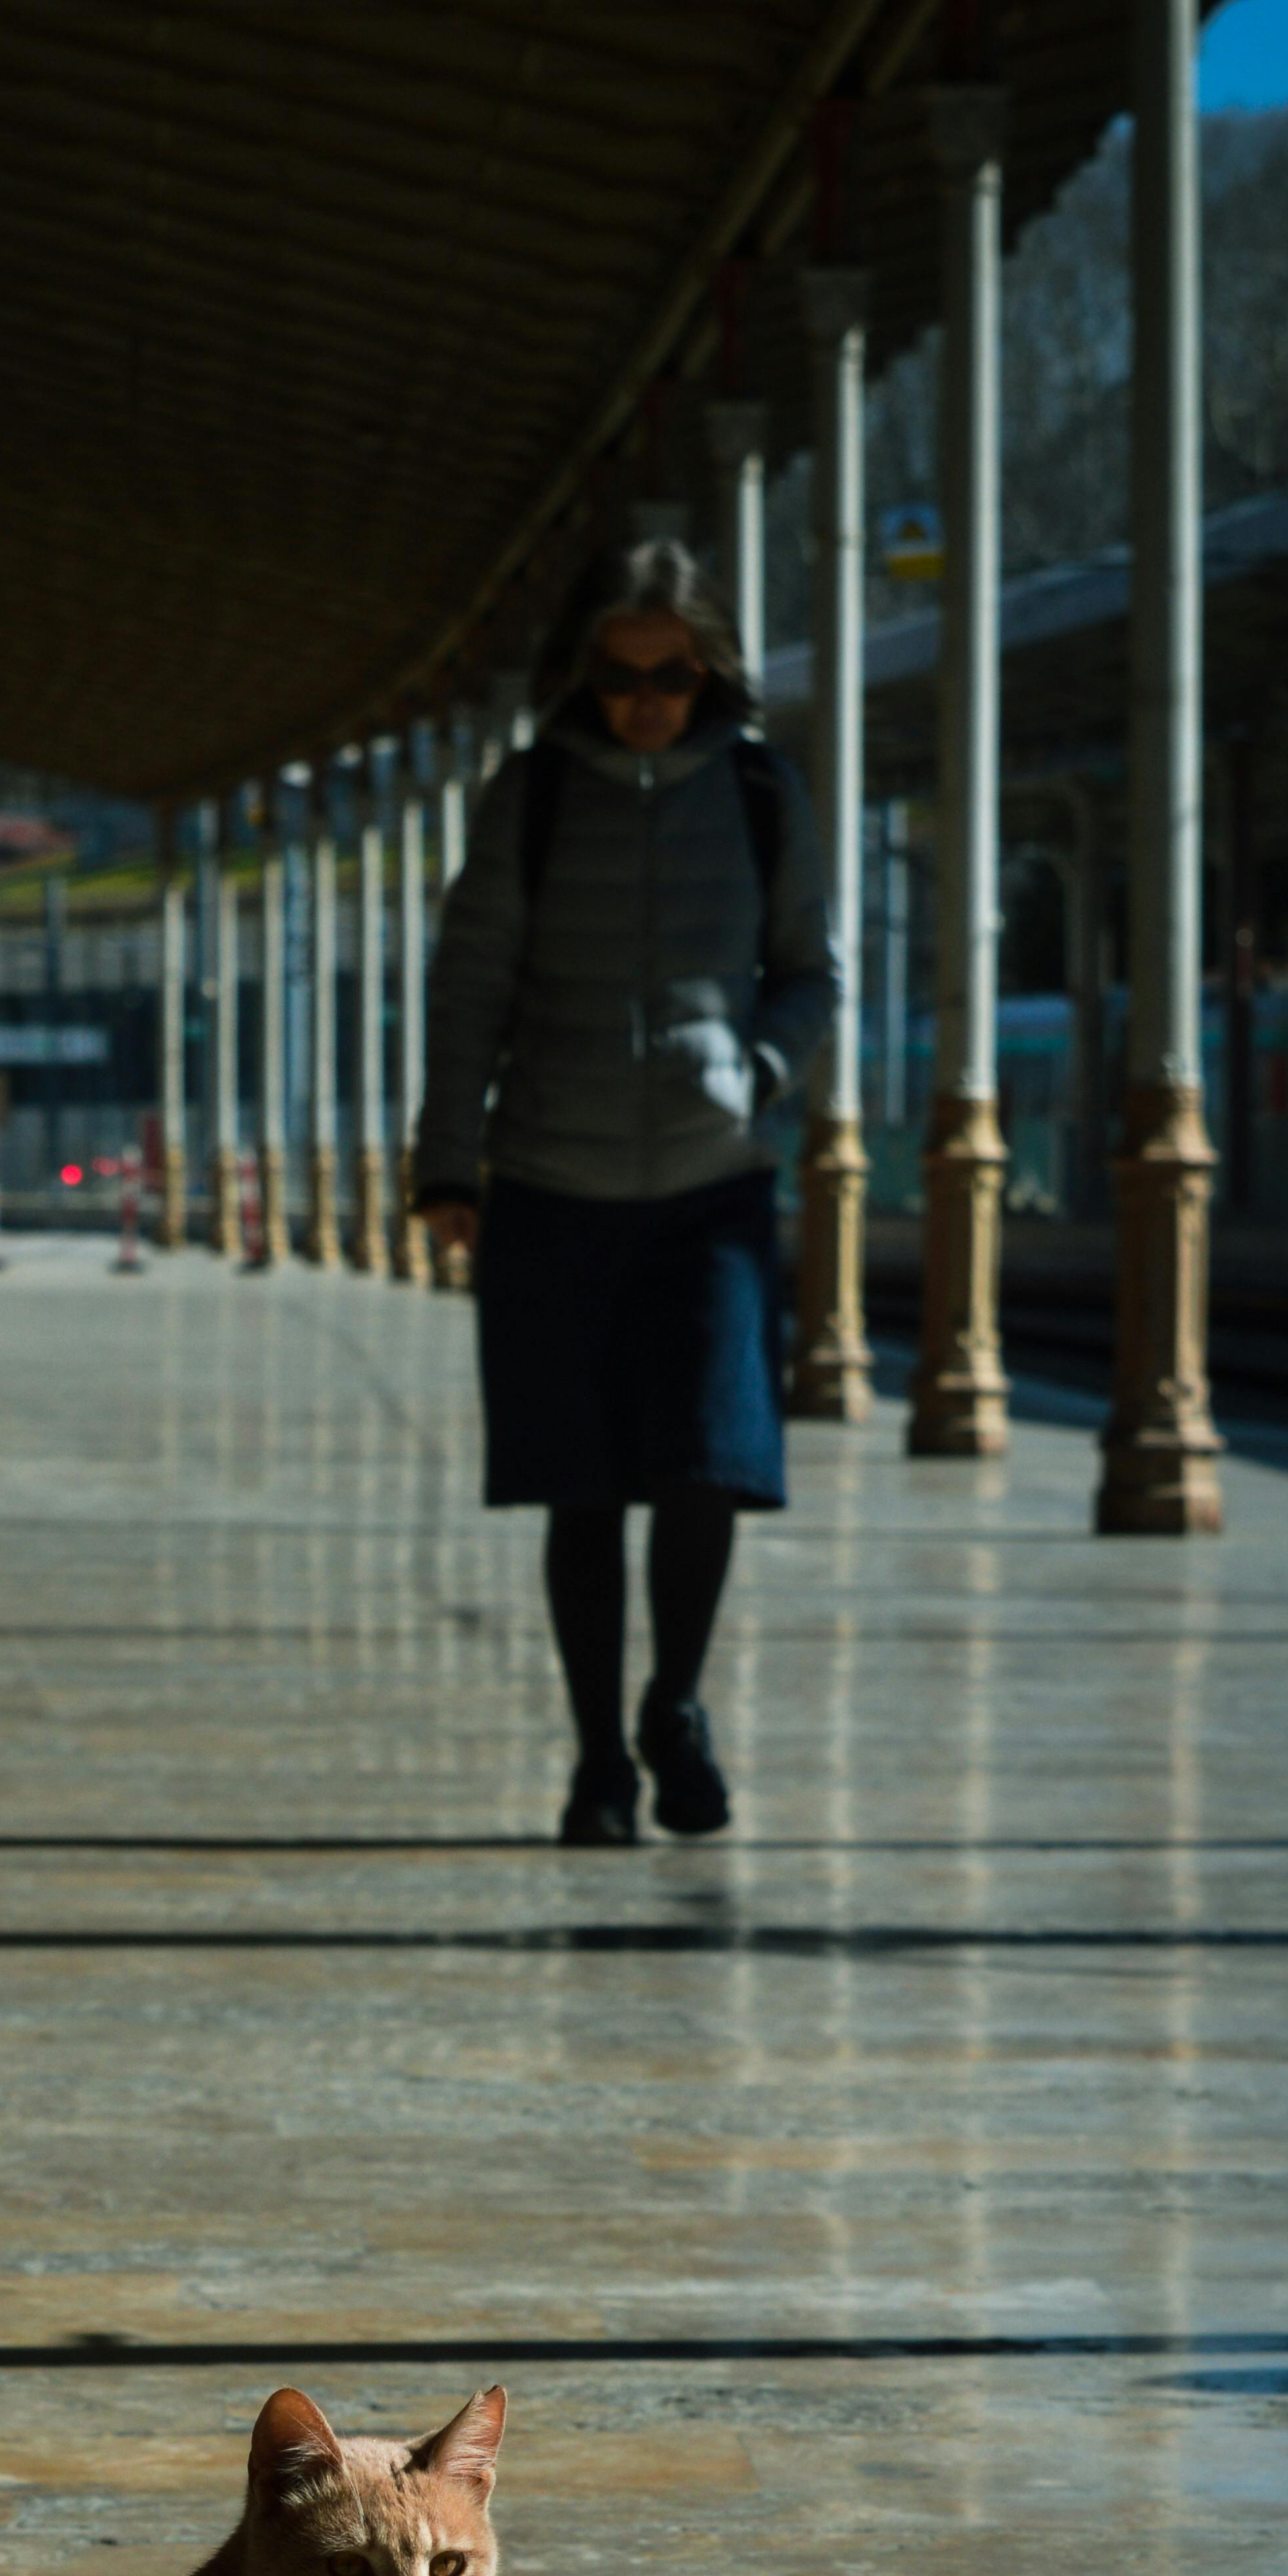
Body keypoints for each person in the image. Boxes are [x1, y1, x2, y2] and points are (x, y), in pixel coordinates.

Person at [414, 536, 838, 1843]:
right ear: (580, 674)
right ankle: (597, 1761)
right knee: (579, 1482)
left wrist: (757, 1066)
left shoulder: (763, 792)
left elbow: (806, 970)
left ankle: (674, 1703)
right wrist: (444, 1159)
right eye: (619, 676)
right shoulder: (530, 796)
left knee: (707, 1463)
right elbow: (469, 981)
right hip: (549, 1177)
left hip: (709, 1185)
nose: (646, 700)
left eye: (671, 674)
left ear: (710, 670)